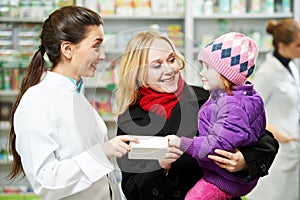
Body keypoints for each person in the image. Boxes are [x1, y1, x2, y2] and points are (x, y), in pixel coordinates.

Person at [115, 30, 279, 200]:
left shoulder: (209, 96)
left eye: (171, 60)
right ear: (138, 74)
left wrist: (244, 161)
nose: (170, 69)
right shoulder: (131, 121)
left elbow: (265, 140)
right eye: (157, 65)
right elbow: (132, 189)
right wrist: (160, 166)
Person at [7, 6, 138, 200]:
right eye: (96, 46)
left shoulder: (76, 96)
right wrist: (102, 152)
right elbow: (46, 182)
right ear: (68, 49)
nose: (101, 55)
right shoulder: (37, 101)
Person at [168, 32, 266, 200]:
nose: (200, 72)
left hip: (223, 180)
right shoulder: (232, 96)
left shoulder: (232, 105)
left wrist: (182, 143)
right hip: (223, 176)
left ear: (225, 73)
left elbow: (218, 143)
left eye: (207, 67)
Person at [246, 19, 300, 200]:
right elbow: (251, 112)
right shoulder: (267, 73)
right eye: (298, 45)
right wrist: (278, 134)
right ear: (283, 45)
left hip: (292, 146)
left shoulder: (292, 66)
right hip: (276, 146)